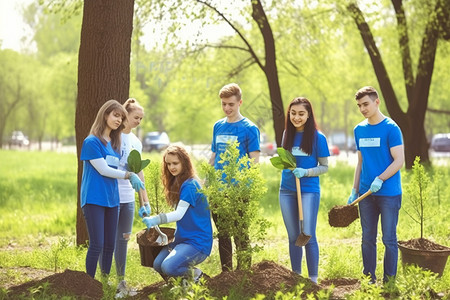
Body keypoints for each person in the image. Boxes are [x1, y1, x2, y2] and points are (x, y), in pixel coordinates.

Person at [80, 99, 145, 278]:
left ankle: (105, 283)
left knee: (110, 244)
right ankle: (89, 284)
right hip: (94, 198)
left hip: (112, 199)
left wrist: (137, 181)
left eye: (121, 117)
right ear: (105, 115)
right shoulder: (92, 141)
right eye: (116, 115)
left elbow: (120, 167)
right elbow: (104, 169)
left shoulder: (114, 144)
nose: (118, 120)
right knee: (97, 244)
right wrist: (128, 175)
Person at [347, 86, 404, 284]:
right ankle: (368, 280)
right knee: (367, 238)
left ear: (376, 102)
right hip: (366, 194)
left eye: (366, 104)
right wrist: (355, 190)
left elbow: (399, 160)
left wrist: (380, 178)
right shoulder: (359, 130)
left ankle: (389, 282)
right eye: (359, 106)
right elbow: (360, 162)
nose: (362, 109)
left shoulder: (391, 128)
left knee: (389, 239)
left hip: (388, 193)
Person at [209, 83, 260, 271]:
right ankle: (226, 273)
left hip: (239, 190)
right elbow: (214, 155)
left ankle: (244, 273)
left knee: (240, 233)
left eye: (231, 104)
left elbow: (254, 161)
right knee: (223, 233)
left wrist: (245, 188)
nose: (227, 108)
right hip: (218, 190)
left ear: (240, 102)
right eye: (223, 104)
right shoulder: (218, 126)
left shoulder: (249, 128)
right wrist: (206, 181)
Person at [142, 145, 213, 282]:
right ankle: (181, 286)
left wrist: (155, 220)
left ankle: (199, 277)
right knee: (157, 264)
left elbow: (179, 214)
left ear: (184, 163)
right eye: (168, 164)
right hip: (182, 240)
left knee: (169, 267)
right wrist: (147, 210)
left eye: (175, 163)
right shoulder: (177, 182)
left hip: (197, 242)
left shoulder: (190, 185)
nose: (171, 167)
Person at [278, 97, 330, 284]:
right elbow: (284, 161)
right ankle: (296, 278)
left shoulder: (318, 138)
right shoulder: (287, 134)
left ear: (308, 115)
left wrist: (306, 172)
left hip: (308, 190)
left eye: (301, 114)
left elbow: (324, 166)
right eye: (293, 113)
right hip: (286, 190)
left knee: (307, 234)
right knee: (294, 237)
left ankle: (313, 281)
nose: (296, 117)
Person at [113, 98, 151, 296]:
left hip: (128, 197)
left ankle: (121, 281)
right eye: (136, 117)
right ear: (125, 115)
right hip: (110, 197)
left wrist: (145, 200)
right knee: (107, 239)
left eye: (141, 119)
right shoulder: (112, 137)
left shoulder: (136, 142)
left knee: (124, 238)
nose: (139, 121)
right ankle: (103, 280)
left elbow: (139, 172)